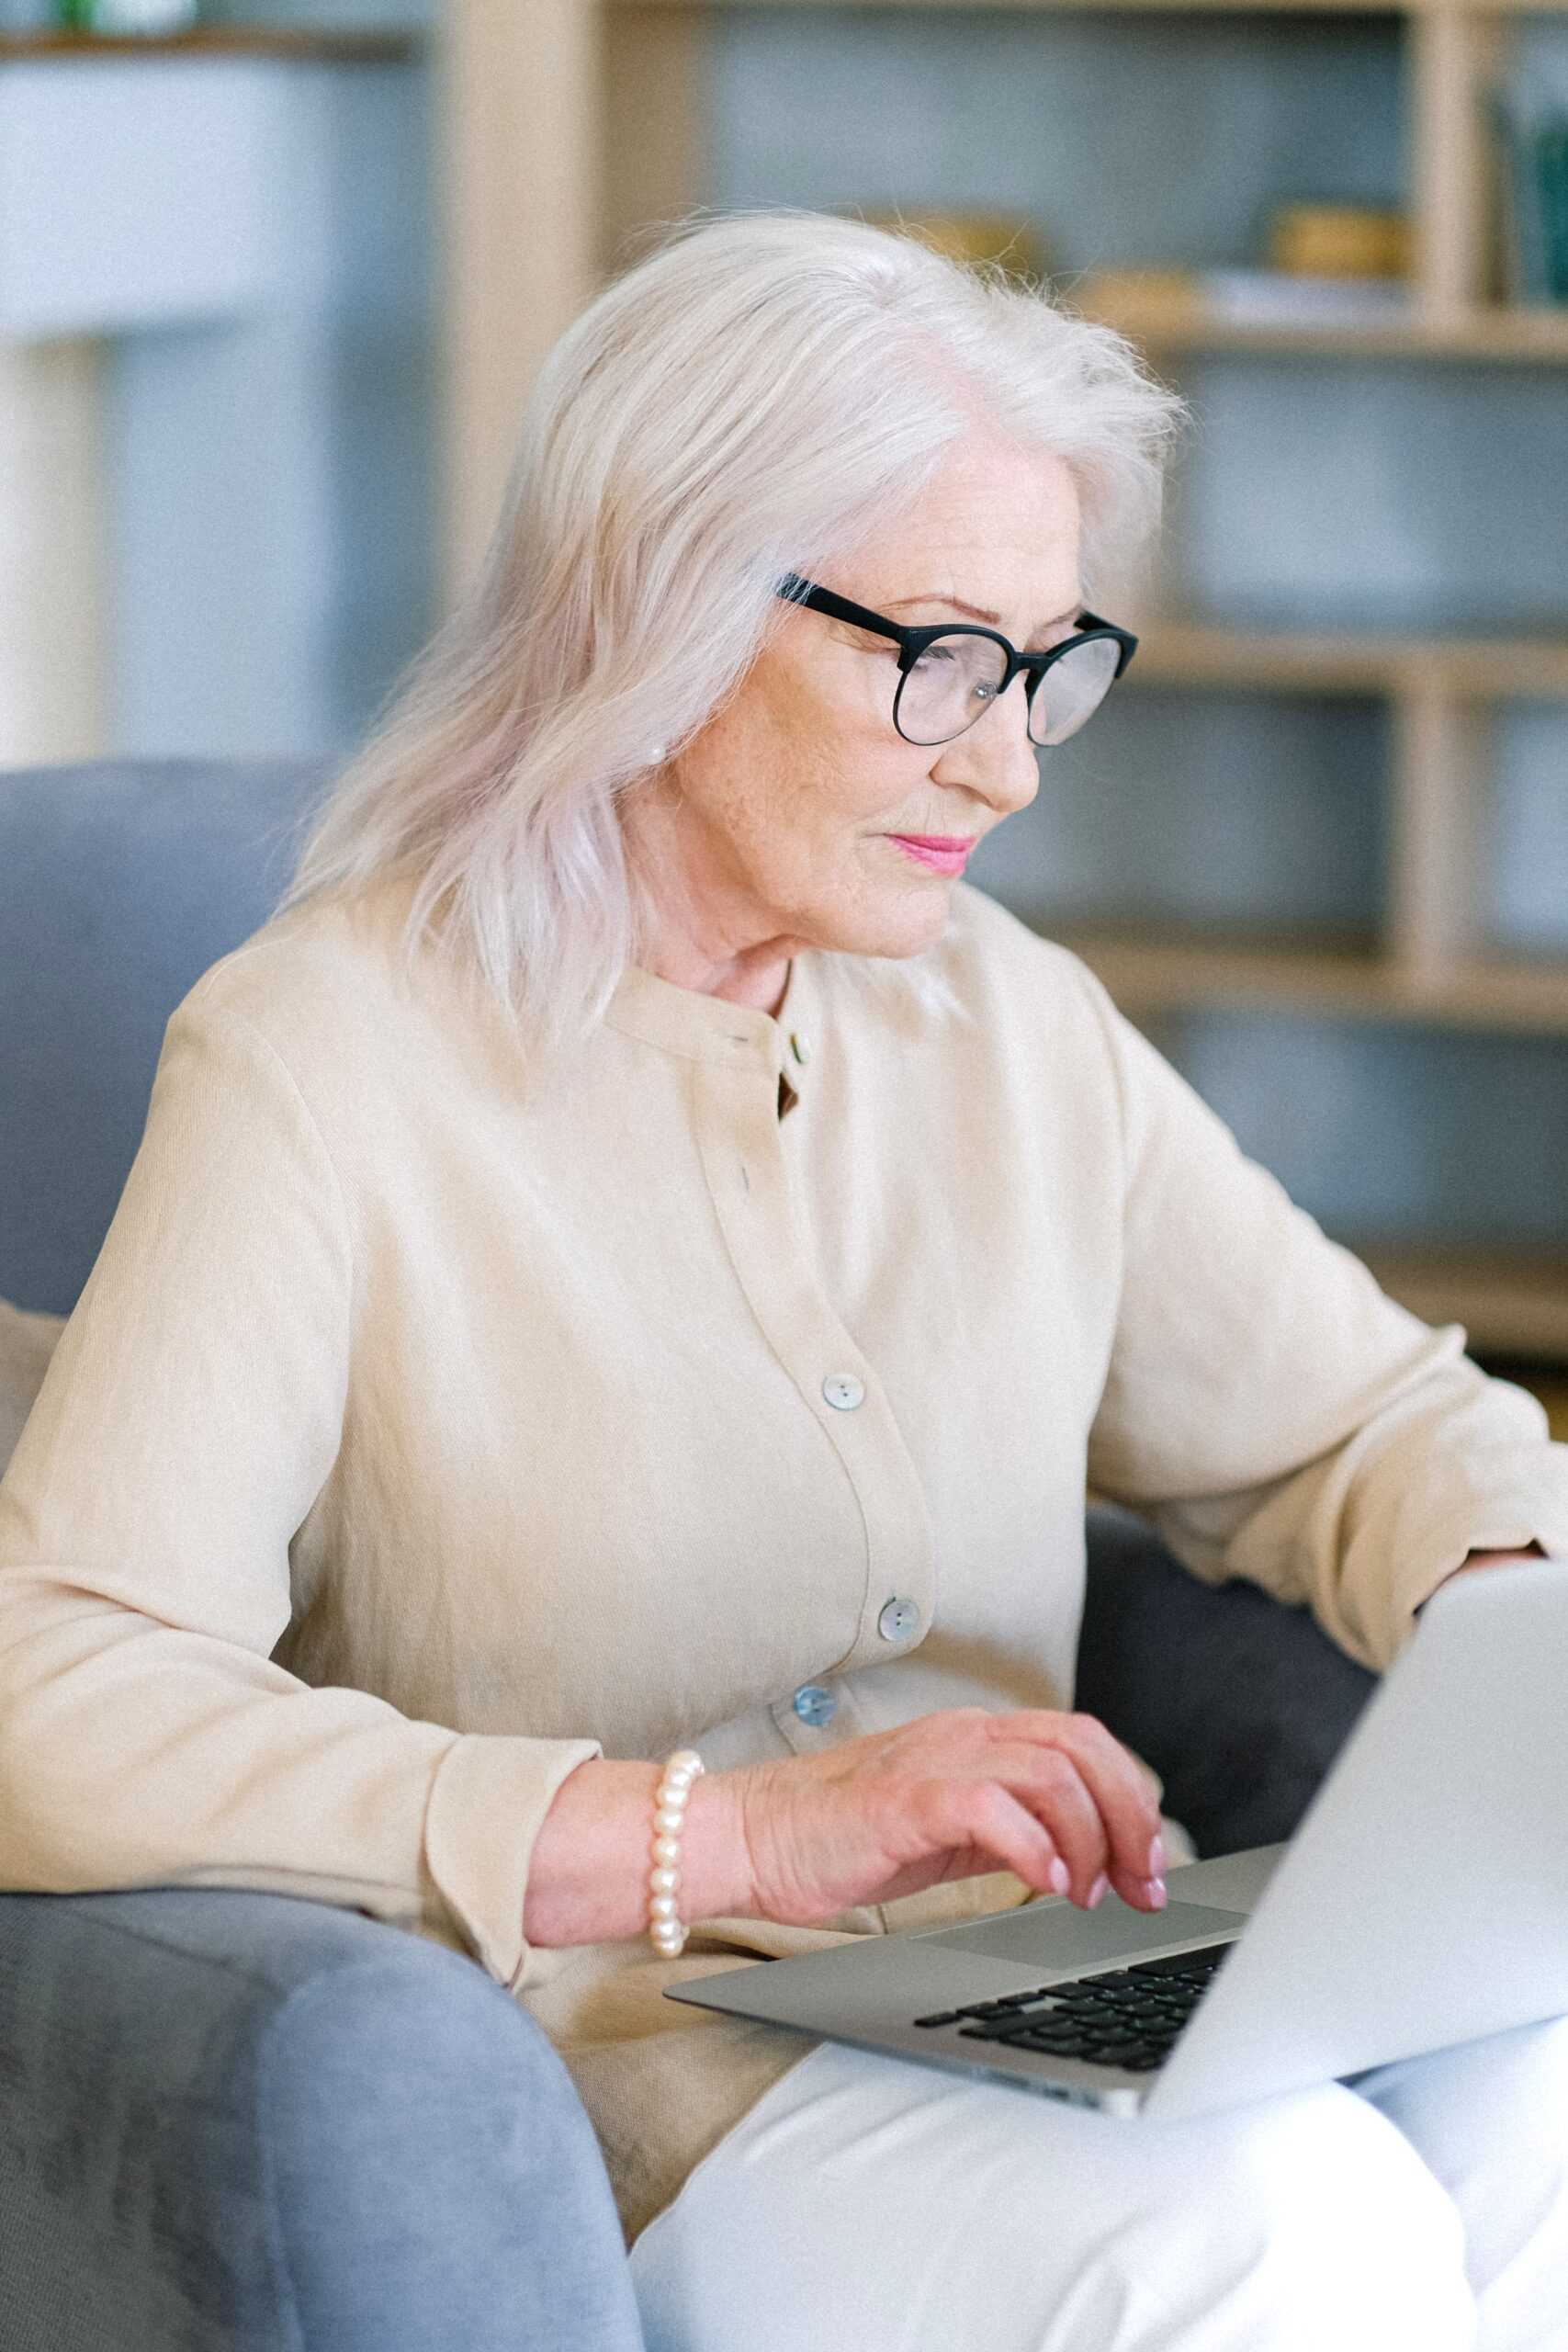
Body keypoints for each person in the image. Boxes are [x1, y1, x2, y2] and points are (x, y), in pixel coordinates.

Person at [2, 208, 1566, 2351]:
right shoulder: (324, 1059)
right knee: (1278, 2232)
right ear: (657, 611)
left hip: (1044, 1985)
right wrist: (718, 1834)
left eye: (1045, 666)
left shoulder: (1004, 1022)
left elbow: (1356, 1423)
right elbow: (55, 1697)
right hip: (657, 2074)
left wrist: (1509, 1596)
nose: (1005, 762)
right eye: (934, 657)